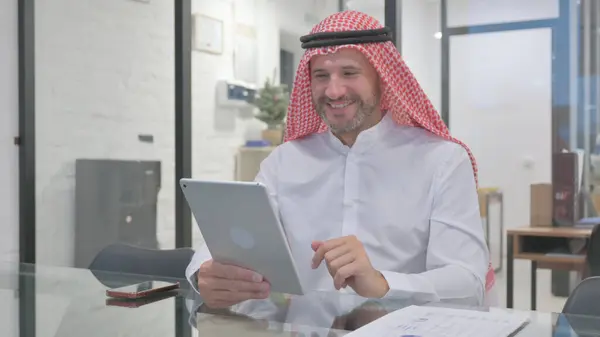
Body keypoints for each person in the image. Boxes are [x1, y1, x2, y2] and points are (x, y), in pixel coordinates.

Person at [186, 10, 496, 309]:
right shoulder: (284, 162)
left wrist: (383, 282)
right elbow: (237, 237)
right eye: (321, 75)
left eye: (349, 73)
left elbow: (467, 284)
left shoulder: (441, 160)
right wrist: (204, 274)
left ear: (381, 78)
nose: (334, 90)